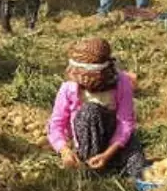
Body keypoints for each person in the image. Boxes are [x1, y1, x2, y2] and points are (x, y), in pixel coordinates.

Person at [47, 38, 146, 178]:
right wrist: (64, 150)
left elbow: (125, 122)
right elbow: (56, 124)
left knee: (138, 168)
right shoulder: (69, 88)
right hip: (88, 142)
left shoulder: (121, 83)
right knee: (90, 111)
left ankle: (112, 166)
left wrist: (108, 154)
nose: (84, 80)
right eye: (80, 75)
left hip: (114, 142)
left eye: (88, 76)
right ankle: (91, 168)